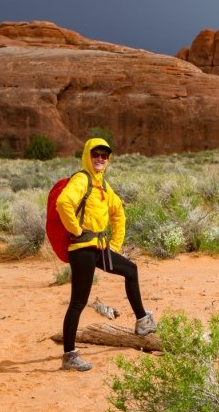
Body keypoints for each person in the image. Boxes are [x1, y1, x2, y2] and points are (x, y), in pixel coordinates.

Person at [55, 137, 156, 371]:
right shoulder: (82, 179)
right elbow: (63, 203)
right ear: (87, 156)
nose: (100, 158)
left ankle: (142, 321)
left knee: (130, 270)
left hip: (99, 248)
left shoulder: (102, 184)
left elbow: (118, 212)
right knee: (78, 302)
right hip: (82, 249)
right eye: (96, 154)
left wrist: (115, 245)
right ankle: (69, 355)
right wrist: (77, 229)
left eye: (105, 155)